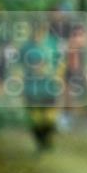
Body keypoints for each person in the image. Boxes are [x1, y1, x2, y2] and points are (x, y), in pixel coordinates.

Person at [21, 18, 64, 151]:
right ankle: (40, 141)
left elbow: (61, 62)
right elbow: (18, 66)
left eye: (42, 31)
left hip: (49, 87)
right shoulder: (26, 47)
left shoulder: (53, 43)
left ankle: (48, 138)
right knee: (35, 117)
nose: (39, 34)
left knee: (49, 116)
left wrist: (58, 76)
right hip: (31, 88)